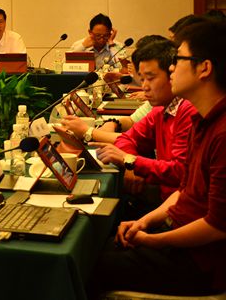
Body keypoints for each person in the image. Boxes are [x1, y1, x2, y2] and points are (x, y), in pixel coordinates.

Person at [89, 20, 226, 297]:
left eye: (180, 59)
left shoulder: (221, 133)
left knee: (90, 265)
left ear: (205, 68)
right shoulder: (202, 119)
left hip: (201, 261)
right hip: (178, 231)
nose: (172, 68)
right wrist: (146, 222)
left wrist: (154, 240)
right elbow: (185, 191)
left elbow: (217, 226)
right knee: (98, 246)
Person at [89, 39, 195, 208]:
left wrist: (130, 161)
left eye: (150, 78)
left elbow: (180, 172)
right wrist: (131, 164)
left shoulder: (189, 111)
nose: (144, 86)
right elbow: (127, 138)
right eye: (142, 79)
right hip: (165, 196)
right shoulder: (160, 109)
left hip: (179, 204)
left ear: (172, 74)